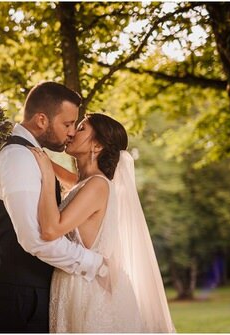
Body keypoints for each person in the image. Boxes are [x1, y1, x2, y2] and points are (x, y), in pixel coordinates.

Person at [0, 82, 107, 333]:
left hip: (28, 292)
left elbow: (82, 185)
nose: (71, 132)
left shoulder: (31, 155)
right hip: (19, 296)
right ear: (41, 120)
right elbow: (34, 240)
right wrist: (95, 264)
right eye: (67, 124)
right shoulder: (18, 158)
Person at [28, 113, 175, 332]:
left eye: (81, 128)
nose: (71, 133)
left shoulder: (97, 186)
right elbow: (72, 180)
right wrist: (33, 151)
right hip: (74, 283)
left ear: (97, 146)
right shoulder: (87, 183)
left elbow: (52, 230)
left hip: (87, 290)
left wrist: (48, 177)